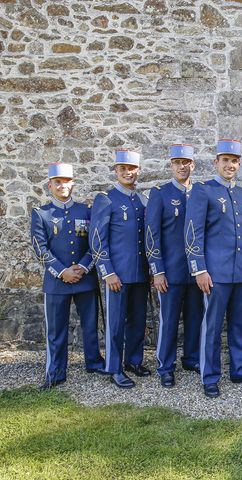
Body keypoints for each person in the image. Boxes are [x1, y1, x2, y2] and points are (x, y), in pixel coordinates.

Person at [184, 139, 242, 398]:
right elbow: (193, 232)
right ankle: (210, 376)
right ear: (216, 163)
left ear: (239, 164)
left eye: (234, 161)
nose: (230, 165)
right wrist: (199, 270)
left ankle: (240, 370)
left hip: (241, 271)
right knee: (212, 326)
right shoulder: (203, 191)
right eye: (225, 160)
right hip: (215, 273)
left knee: (240, 325)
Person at [30, 163, 105, 390]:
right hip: (56, 282)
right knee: (56, 330)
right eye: (58, 182)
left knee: (90, 326)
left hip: (85, 279)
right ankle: (55, 371)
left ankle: (93, 362)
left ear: (73, 184)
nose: (63, 186)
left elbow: (95, 244)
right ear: (50, 185)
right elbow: (39, 248)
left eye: (67, 182)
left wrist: (82, 267)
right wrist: (63, 271)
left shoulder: (86, 211)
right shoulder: (41, 213)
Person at [90, 150, 150, 389]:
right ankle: (114, 367)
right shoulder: (106, 199)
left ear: (138, 171)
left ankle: (133, 360)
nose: (128, 172)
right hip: (117, 274)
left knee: (137, 320)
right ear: (116, 171)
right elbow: (97, 240)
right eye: (123, 168)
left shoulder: (142, 200)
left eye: (132, 168)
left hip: (140, 273)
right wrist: (108, 272)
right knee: (115, 323)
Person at [145, 144, 203, 388]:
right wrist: (157, 270)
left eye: (186, 162)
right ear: (171, 165)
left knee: (195, 318)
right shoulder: (160, 193)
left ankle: (190, 358)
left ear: (193, 165)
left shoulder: (200, 192)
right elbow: (151, 234)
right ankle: (165, 366)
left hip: (197, 271)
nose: (182, 166)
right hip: (170, 271)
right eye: (177, 162)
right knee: (169, 321)